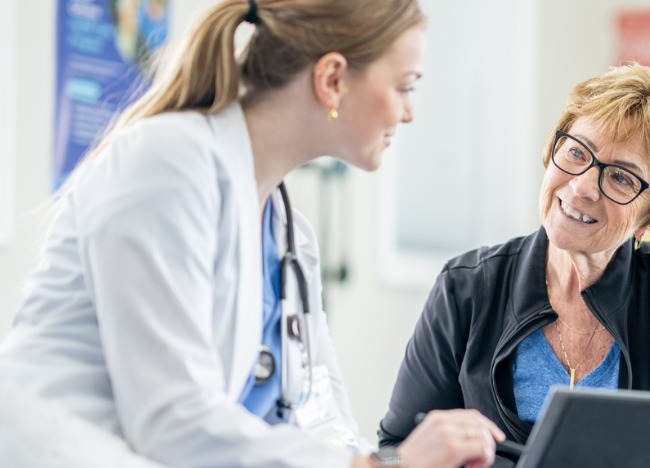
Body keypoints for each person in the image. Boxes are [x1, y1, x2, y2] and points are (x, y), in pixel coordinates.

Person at [0, 0, 504, 467]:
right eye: (405, 86)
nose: (408, 112)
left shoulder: (288, 232)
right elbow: (171, 420)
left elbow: (319, 416)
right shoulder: (168, 163)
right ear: (331, 80)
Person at [379, 64, 650, 467]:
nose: (582, 186)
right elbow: (400, 448)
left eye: (621, 178)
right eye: (576, 152)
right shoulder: (466, 286)